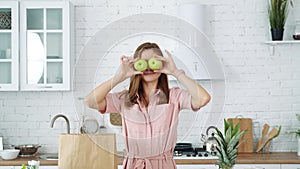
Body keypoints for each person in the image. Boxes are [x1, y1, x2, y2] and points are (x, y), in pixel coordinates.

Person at [85, 42, 211, 169]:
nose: (148, 68)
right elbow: (90, 101)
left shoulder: (174, 97)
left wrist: (175, 72)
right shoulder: (124, 99)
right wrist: (119, 77)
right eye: (143, 62)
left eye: (153, 61)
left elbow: (203, 99)